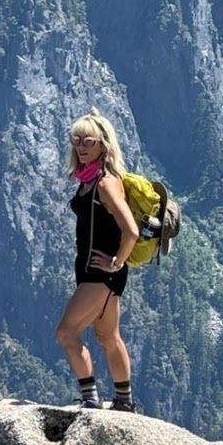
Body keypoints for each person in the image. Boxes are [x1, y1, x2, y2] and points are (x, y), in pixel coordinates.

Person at [55, 109, 140, 412]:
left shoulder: (104, 183)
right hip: (96, 270)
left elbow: (131, 229)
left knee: (66, 332)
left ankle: (90, 398)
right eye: (75, 139)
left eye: (87, 141)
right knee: (107, 336)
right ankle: (124, 401)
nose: (80, 146)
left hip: (100, 273)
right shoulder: (89, 178)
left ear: (103, 145)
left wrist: (117, 262)